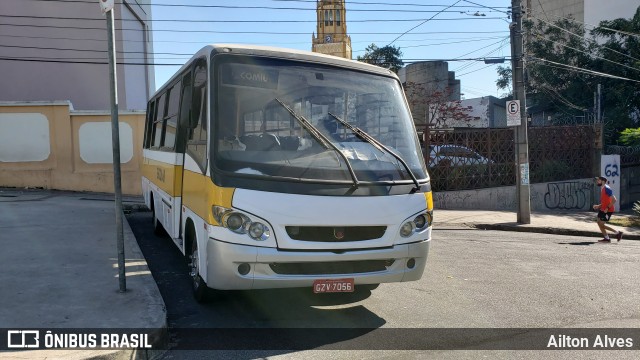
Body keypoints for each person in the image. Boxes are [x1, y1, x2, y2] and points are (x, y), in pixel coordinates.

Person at [592, 176, 623, 242]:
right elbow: (605, 201)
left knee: (601, 224)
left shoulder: (607, 188)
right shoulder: (602, 188)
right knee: (598, 222)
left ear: (603, 181)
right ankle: (606, 238)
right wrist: (598, 206)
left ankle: (617, 233)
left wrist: (607, 208)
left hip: (608, 210)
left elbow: (614, 200)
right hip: (603, 209)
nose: (597, 182)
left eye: (598, 180)